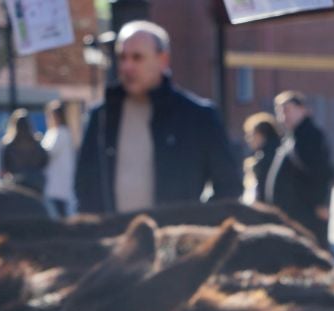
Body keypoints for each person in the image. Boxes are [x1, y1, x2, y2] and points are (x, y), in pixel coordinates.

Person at [75, 21, 241, 215]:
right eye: (122, 57)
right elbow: (83, 185)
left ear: (162, 60)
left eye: (137, 58)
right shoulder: (100, 116)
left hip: (175, 241)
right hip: (114, 240)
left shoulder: (198, 116)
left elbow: (229, 187)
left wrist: (195, 227)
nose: (127, 66)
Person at [265, 90, 334, 246]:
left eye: (287, 110)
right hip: (294, 211)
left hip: (307, 211)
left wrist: (322, 203)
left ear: (302, 109)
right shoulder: (294, 135)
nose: (283, 117)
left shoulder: (311, 136)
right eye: (280, 112)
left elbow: (322, 172)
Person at [42, 99, 78, 216]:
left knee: (60, 212)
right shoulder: (52, 132)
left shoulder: (62, 132)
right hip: (52, 182)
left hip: (58, 183)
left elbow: (48, 152)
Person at [1, 110, 49, 192]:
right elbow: (45, 161)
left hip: (17, 184)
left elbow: (5, 166)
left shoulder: (9, 145)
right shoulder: (36, 143)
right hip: (36, 183)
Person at [245, 113, 282, 204]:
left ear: (261, 135)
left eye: (251, 134)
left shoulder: (265, 158)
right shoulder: (278, 151)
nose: (248, 139)